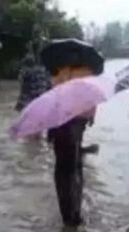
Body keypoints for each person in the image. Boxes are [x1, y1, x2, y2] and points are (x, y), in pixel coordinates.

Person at [44, 57, 99, 228]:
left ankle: (68, 215)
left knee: (63, 172)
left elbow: (47, 104)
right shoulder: (86, 74)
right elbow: (92, 102)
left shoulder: (57, 74)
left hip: (61, 128)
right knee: (75, 169)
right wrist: (90, 117)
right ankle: (75, 212)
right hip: (76, 125)